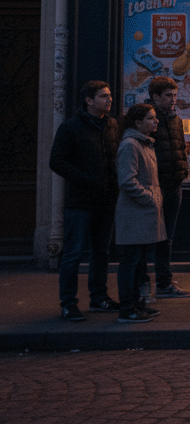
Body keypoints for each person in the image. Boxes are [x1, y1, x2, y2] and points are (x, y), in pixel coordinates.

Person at [50, 80, 121, 321]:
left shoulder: (112, 125)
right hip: (81, 201)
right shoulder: (71, 127)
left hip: (107, 199)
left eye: (109, 95)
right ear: (89, 100)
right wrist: (85, 179)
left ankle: (99, 297)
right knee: (73, 253)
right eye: (103, 96)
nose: (109, 100)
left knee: (102, 252)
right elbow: (57, 161)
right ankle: (68, 303)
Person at [113, 104, 167, 323]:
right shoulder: (131, 145)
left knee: (140, 261)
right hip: (136, 212)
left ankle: (137, 303)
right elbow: (127, 180)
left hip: (144, 212)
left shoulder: (144, 144)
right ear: (138, 122)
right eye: (151, 118)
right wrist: (149, 198)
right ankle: (128, 307)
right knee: (131, 261)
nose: (156, 122)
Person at [146, 76, 190, 299]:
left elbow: (180, 147)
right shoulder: (146, 119)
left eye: (175, 95)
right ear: (155, 96)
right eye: (168, 96)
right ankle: (144, 284)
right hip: (153, 187)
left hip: (174, 185)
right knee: (148, 237)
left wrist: (183, 171)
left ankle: (164, 282)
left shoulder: (176, 120)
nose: (173, 100)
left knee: (167, 237)